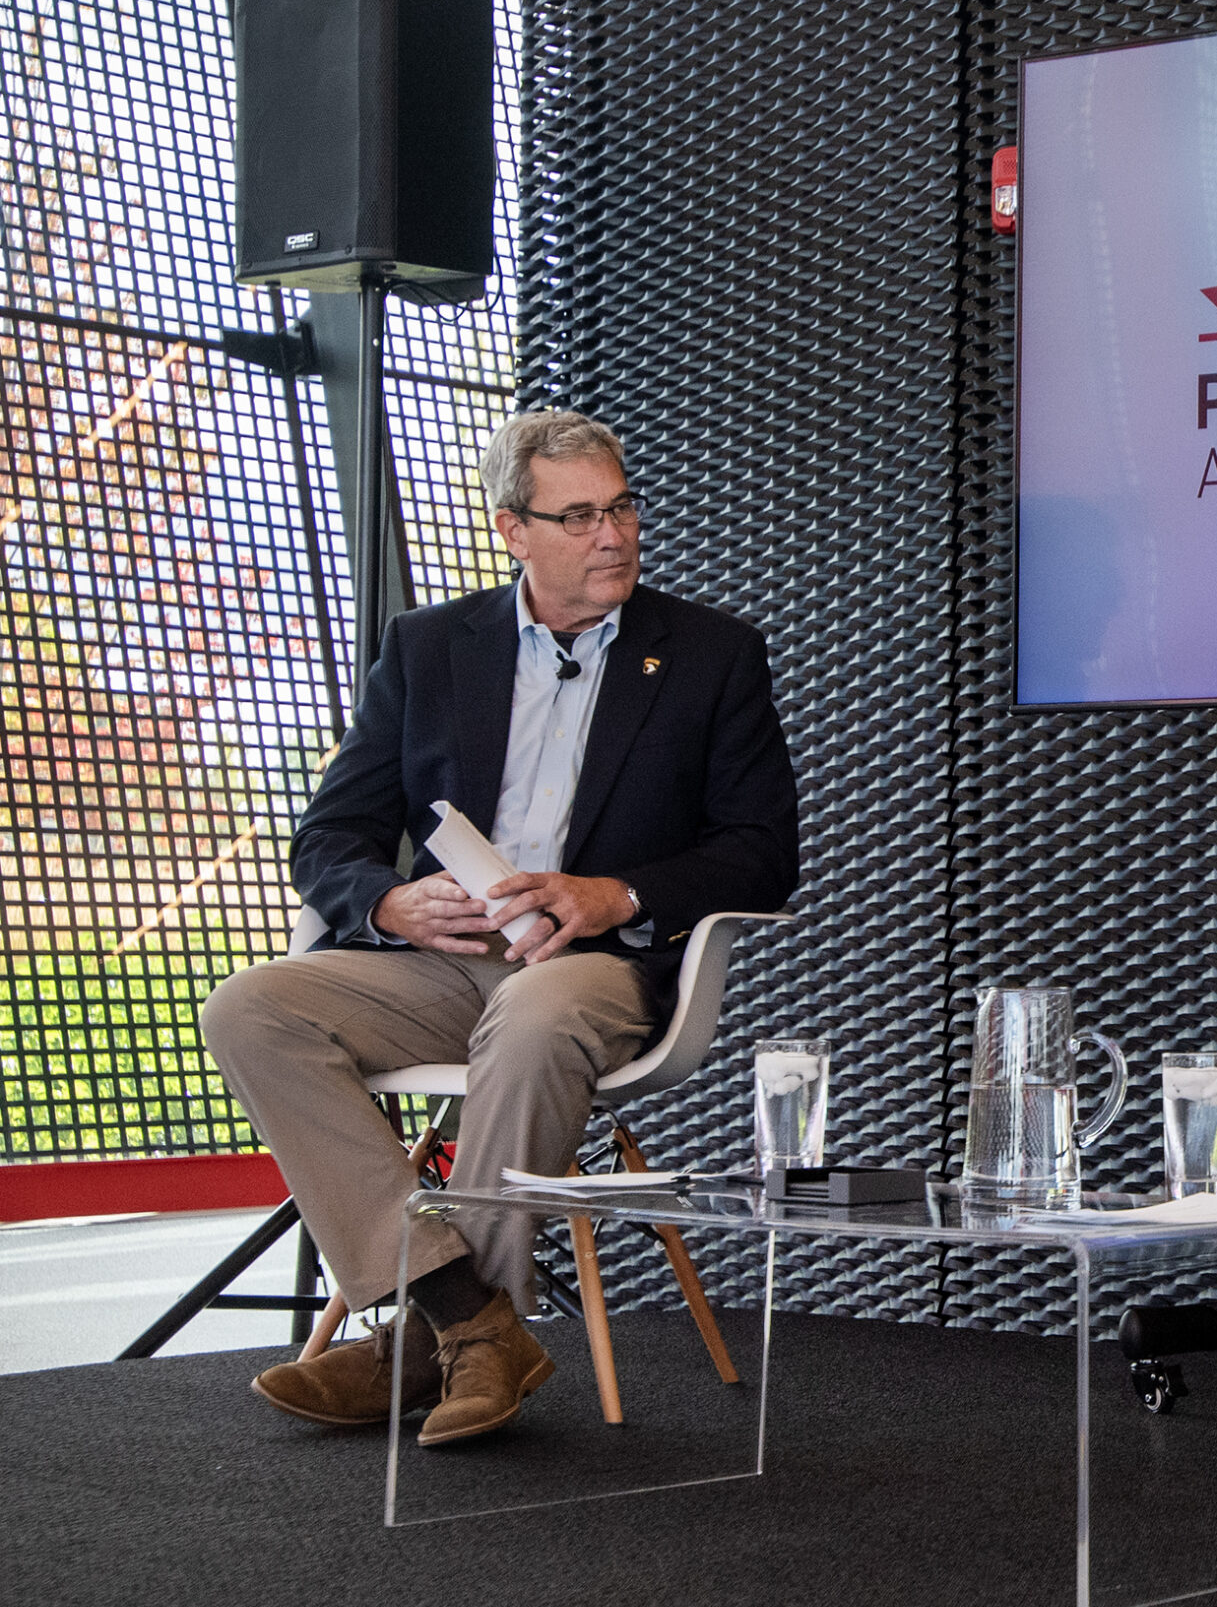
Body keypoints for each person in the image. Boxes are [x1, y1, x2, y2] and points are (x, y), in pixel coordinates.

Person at [202, 410, 798, 1446]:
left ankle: (424, 1347)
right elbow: (331, 835)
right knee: (252, 1008)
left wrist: (611, 894)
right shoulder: (429, 648)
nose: (612, 535)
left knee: (533, 1016)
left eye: (621, 508)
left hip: (596, 967)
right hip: (447, 962)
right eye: (578, 516)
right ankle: (466, 1317)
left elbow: (762, 849)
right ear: (512, 530)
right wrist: (386, 903)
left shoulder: (710, 655)